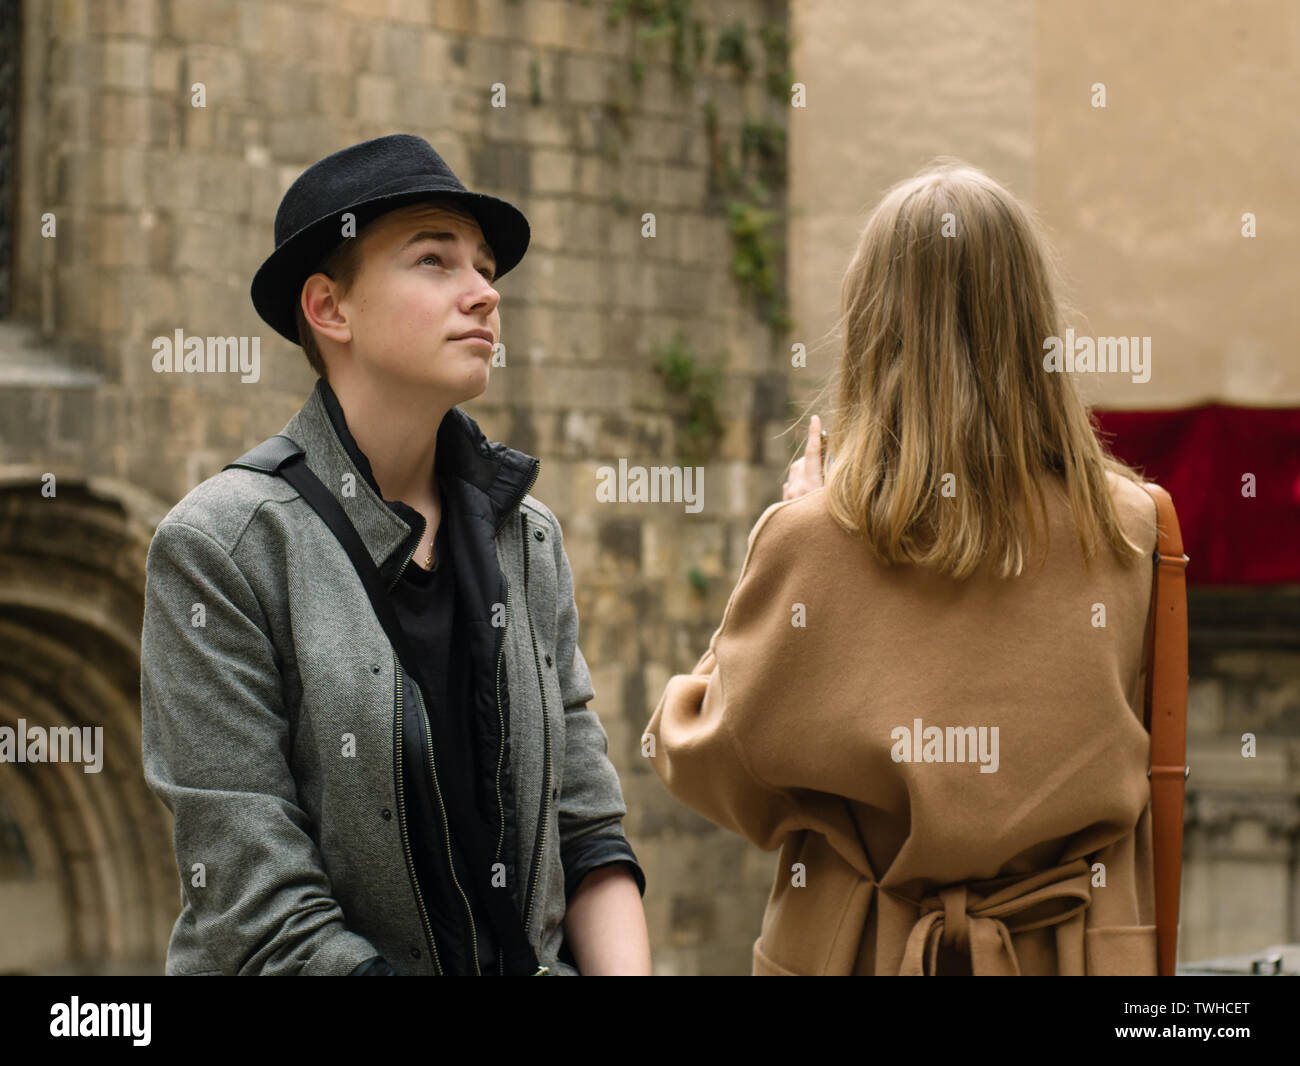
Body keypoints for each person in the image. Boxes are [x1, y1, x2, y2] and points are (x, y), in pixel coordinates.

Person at [141, 134, 650, 975]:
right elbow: (257, 910)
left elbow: (586, 831)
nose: (484, 293)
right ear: (330, 309)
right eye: (433, 260)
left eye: (484, 267)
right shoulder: (221, 549)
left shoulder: (528, 540)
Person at [646, 158, 1166, 976]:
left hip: (859, 951)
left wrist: (784, 530)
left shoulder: (817, 538)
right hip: (1069, 953)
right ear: (1033, 318)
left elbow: (706, 756)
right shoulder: (1131, 529)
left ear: (872, 323)